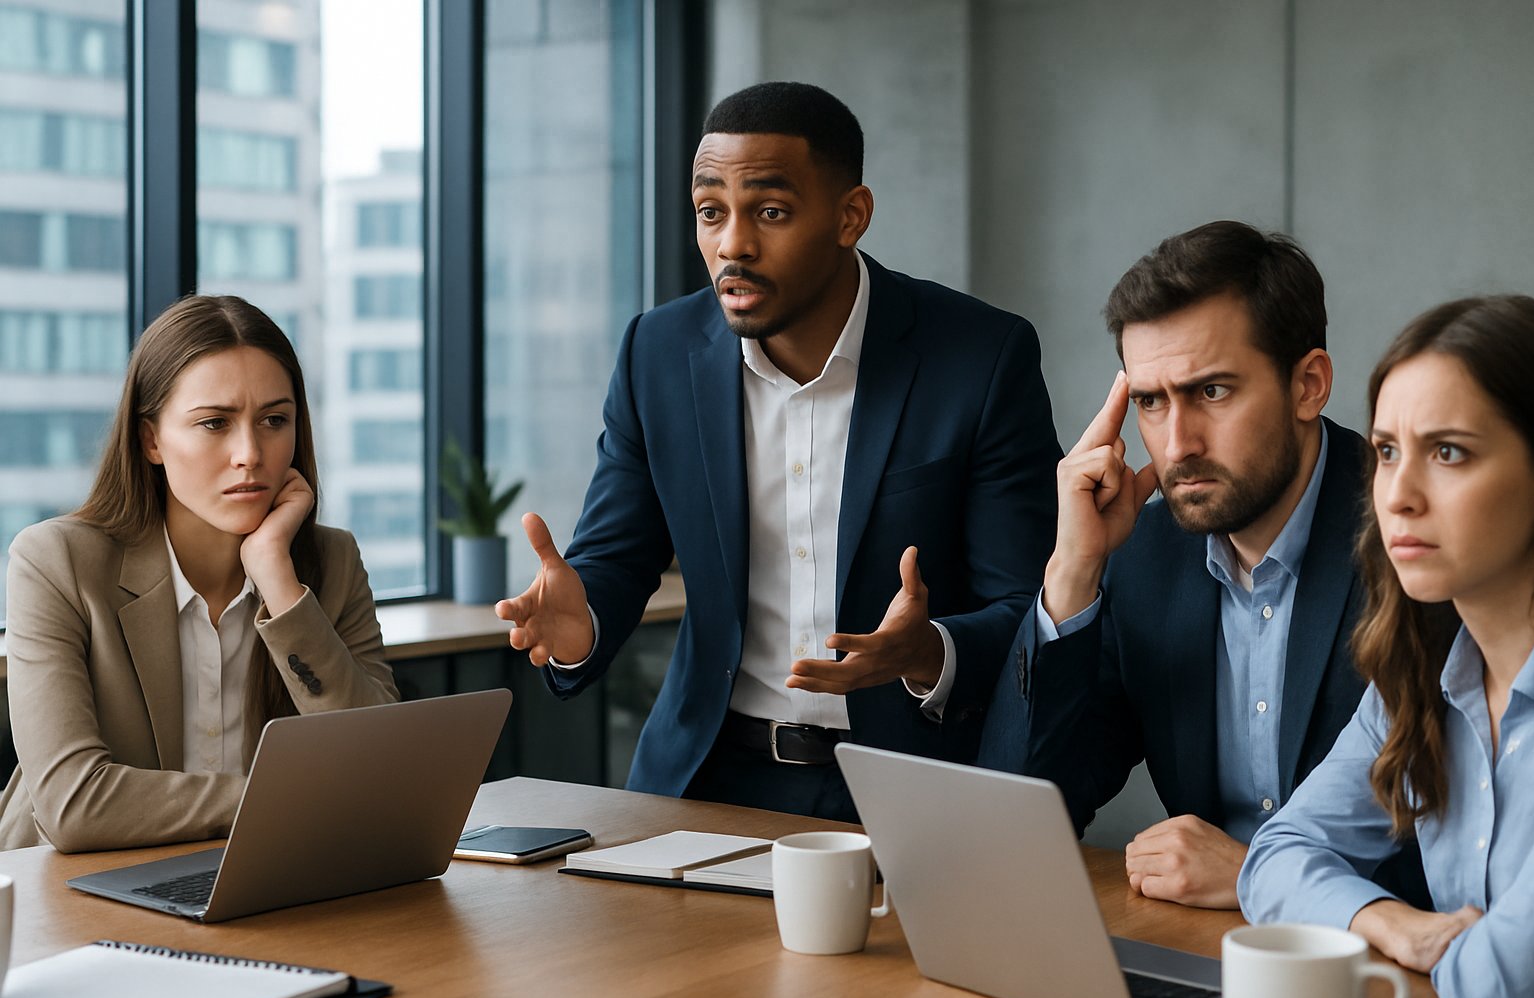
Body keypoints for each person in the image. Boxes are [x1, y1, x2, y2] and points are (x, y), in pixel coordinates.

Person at [495, 81, 1059, 820]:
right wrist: (582, 625)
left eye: (770, 211)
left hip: (912, 784)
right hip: (707, 774)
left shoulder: (978, 358)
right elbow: (618, 557)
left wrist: (929, 652)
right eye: (710, 212)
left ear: (849, 216)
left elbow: (1028, 604)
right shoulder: (657, 353)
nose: (732, 243)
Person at [978, 221, 1423, 910]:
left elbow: (1461, 855)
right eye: (1151, 402)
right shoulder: (1146, 555)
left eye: (1212, 392)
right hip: (1212, 953)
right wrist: (1072, 572)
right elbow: (1023, 816)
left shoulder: (1415, 538)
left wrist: (1258, 877)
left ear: (1309, 384)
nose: (1177, 443)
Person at [0, 295, 398, 853]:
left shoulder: (331, 563)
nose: (250, 453)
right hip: (73, 900)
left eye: (274, 420)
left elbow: (383, 766)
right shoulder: (56, 561)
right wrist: (286, 797)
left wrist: (279, 585)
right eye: (215, 423)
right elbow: (74, 805)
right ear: (152, 440)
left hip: (262, 882)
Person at [1240, 295, 1534, 998]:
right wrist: (1391, 920)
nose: (1397, 496)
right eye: (1386, 451)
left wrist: (1449, 955)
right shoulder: (1420, 674)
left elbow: (1502, 986)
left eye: (1449, 452)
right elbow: (1273, 858)